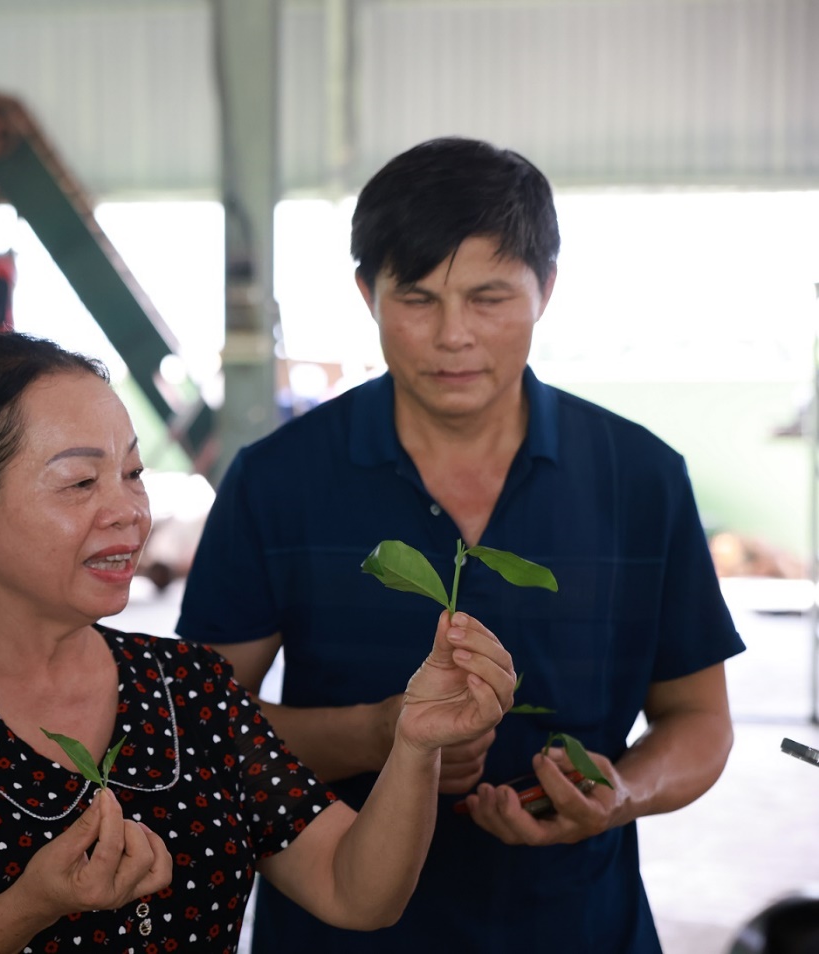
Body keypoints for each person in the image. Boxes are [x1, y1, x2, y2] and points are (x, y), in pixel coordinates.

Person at [176, 136, 746, 953]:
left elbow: (698, 720)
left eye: (488, 298)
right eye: (416, 299)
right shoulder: (277, 480)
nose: (453, 337)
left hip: (577, 925)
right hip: (341, 930)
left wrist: (620, 791)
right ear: (365, 291)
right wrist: (378, 735)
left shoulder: (639, 478)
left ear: (545, 289)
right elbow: (203, 725)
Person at [0, 332, 518, 952]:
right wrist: (30, 903)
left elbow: (357, 892)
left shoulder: (189, 688)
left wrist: (414, 746)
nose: (127, 511)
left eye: (132, 473)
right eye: (78, 483)